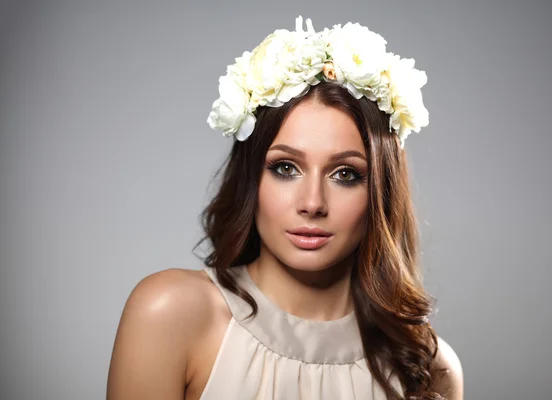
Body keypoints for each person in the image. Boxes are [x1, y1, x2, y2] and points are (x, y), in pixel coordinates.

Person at [107, 16, 463, 400]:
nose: (312, 204)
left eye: (345, 174)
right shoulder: (170, 313)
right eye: (285, 168)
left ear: (381, 190)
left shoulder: (429, 367)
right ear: (251, 179)